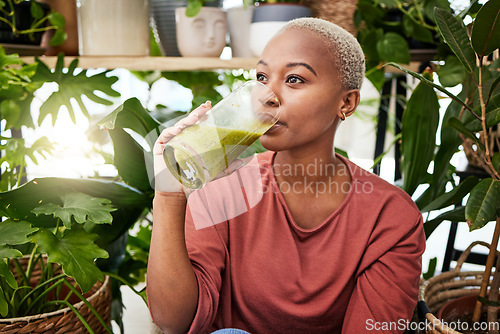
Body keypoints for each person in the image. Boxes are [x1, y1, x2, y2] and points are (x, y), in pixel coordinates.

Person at [147, 17, 426, 334]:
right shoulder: (221, 184)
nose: (267, 96)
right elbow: (173, 321)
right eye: (262, 77)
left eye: (295, 79)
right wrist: (168, 196)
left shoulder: (390, 218)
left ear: (346, 103)